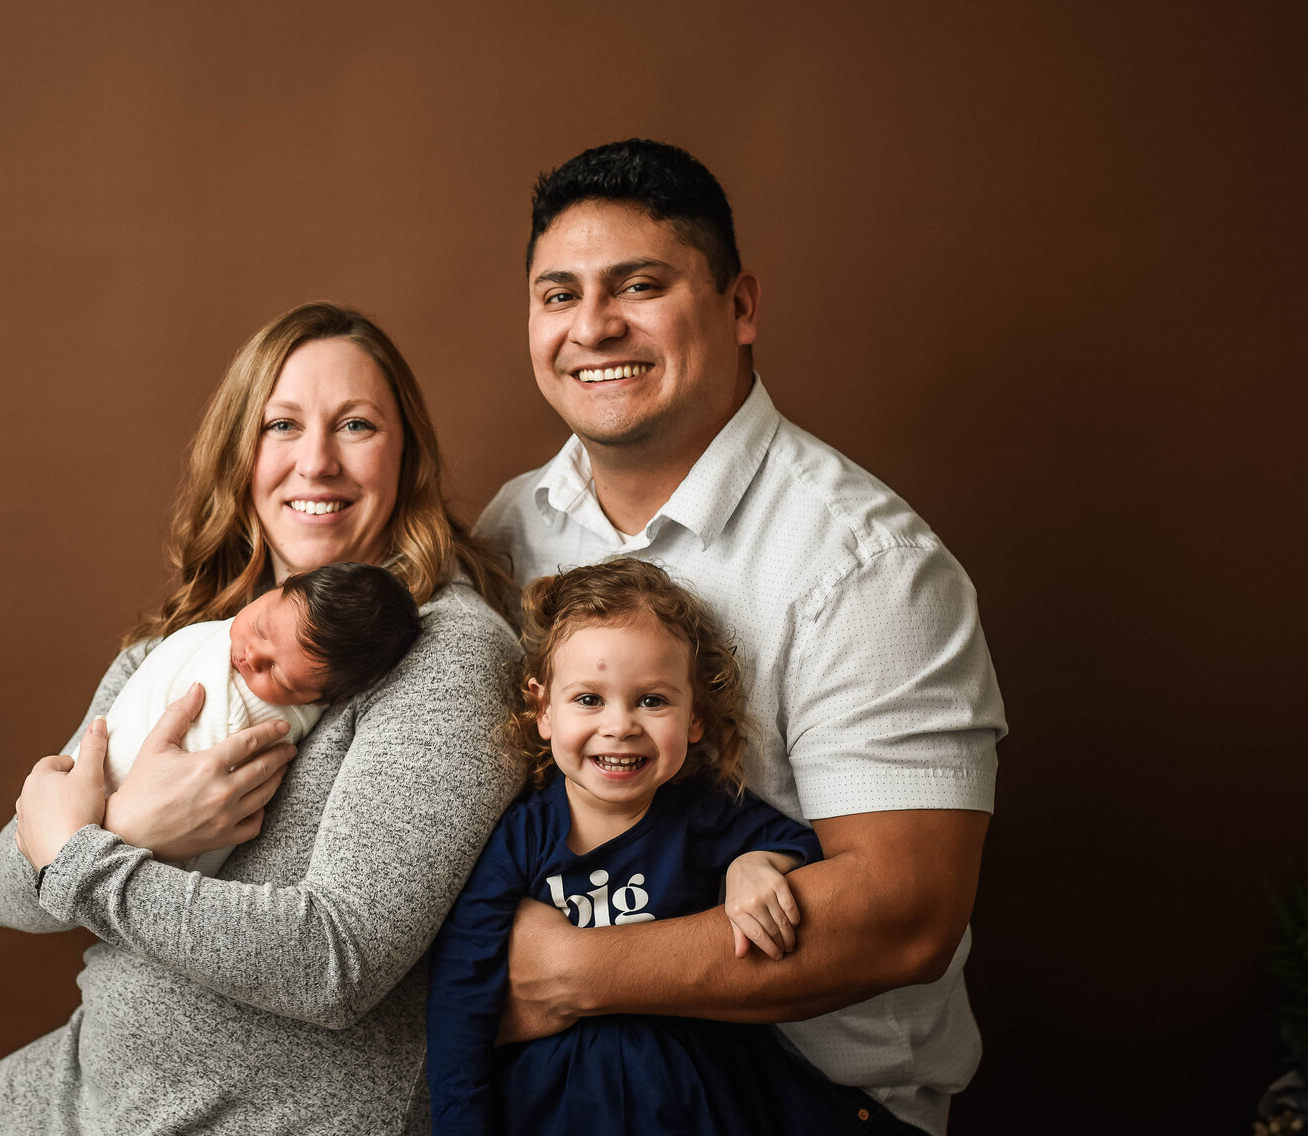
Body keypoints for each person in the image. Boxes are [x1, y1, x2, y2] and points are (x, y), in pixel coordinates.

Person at [475, 139, 1007, 1134]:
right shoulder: (510, 529)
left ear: (740, 304)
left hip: (804, 1101)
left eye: (638, 285)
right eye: (558, 294)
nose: (593, 326)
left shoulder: (868, 564)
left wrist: (573, 972)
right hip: (555, 1091)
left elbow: (907, 913)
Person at [0, 302, 522, 1135]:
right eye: (281, 426)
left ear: (406, 454)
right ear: (242, 451)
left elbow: (336, 963)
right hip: (85, 1087)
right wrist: (132, 825)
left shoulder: (447, 653)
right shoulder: (196, 642)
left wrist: (88, 856)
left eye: (357, 425)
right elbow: (8, 888)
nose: (317, 462)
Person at [428, 558, 895, 1135]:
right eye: (588, 700)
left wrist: (756, 863)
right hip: (556, 1106)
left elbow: (799, 845)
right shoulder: (517, 840)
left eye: (652, 700)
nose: (620, 725)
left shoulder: (705, 815)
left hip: (695, 1097)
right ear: (543, 708)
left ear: (695, 716)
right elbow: (460, 999)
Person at [89, 560, 422, 877]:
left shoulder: (256, 716)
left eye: (277, 674)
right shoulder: (189, 636)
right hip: (89, 799)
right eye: (261, 630)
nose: (251, 657)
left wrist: (108, 837)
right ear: (282, 585)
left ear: (326, 700)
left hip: (121, 849)